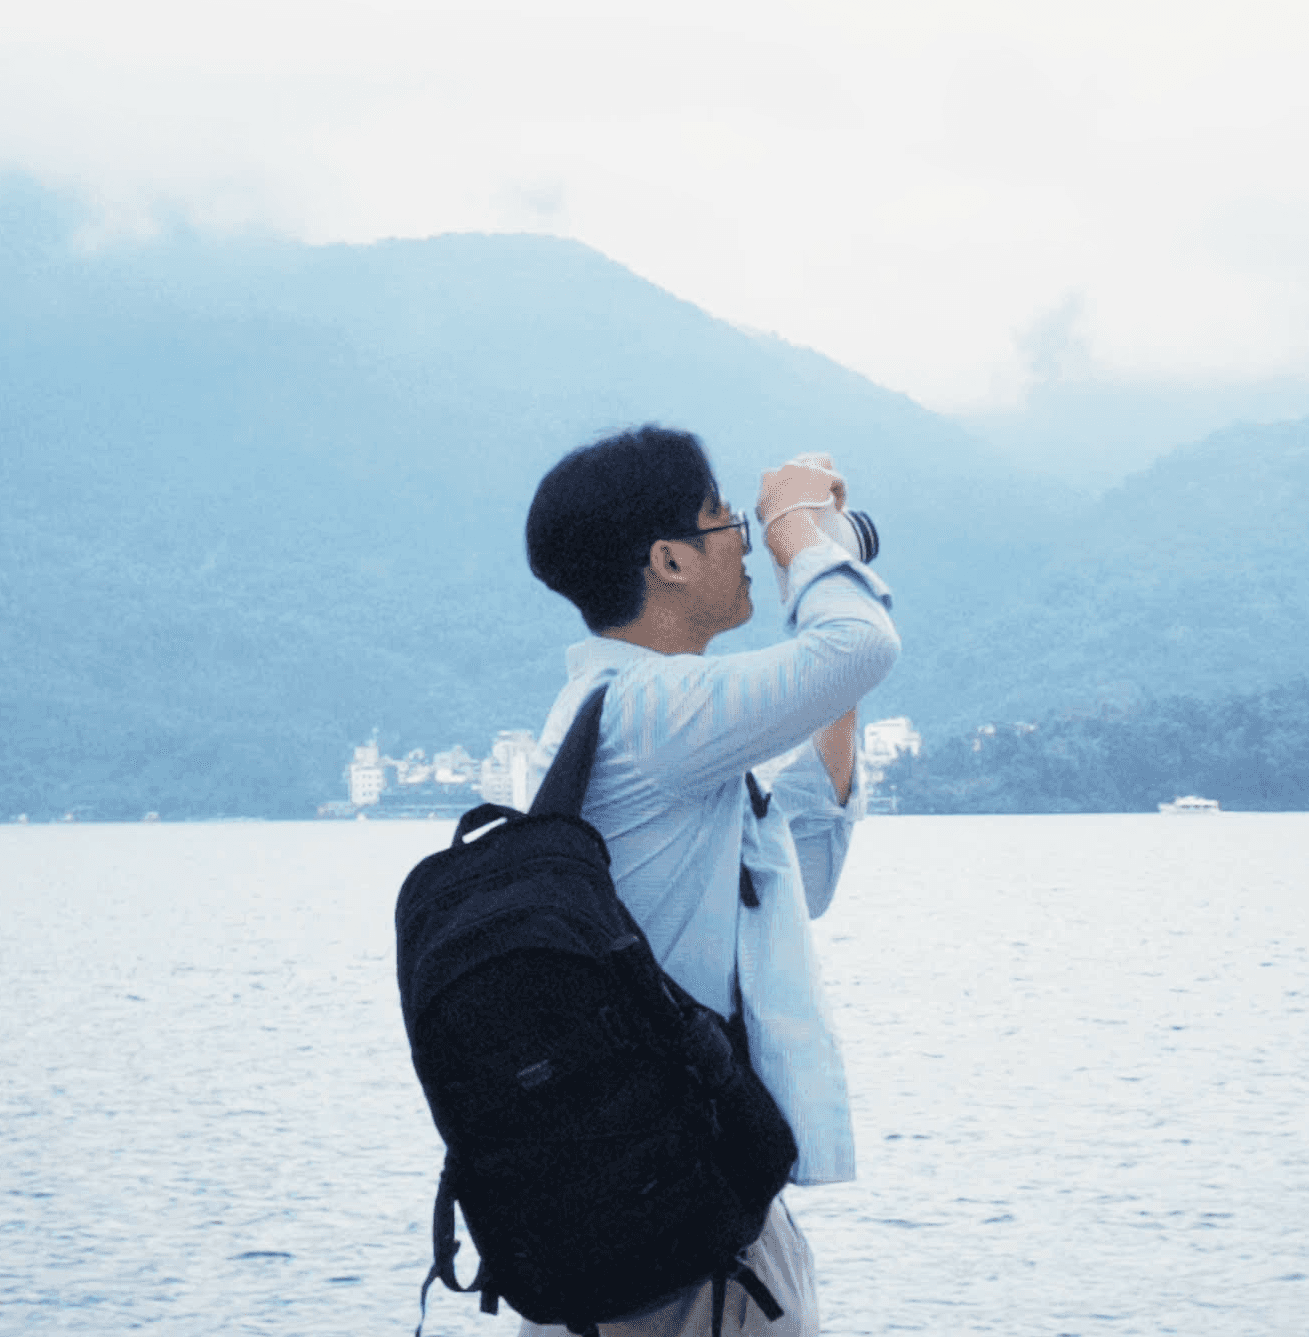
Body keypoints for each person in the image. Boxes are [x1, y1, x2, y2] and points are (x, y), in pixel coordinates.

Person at [521, 425, 900, 1337]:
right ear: (668, 560)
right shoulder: (654, 712)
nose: (747, 540)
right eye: (726, 520)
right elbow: (862, 642)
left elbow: (802, 879)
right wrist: (800, 527)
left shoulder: (617, 715)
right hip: (682, 1233)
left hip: (638, 1202)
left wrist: (827, 671)